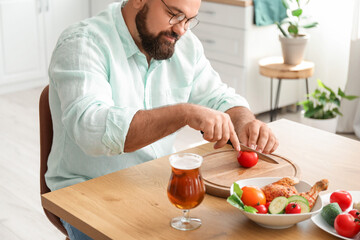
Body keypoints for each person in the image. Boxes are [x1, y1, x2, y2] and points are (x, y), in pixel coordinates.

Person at [46, 0, 278, 238]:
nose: (181, 30)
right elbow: (91, 130)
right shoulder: (81, 43)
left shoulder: (183, 45)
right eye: (174, 15)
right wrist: (183, 113)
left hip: (154, 182)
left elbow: (219, 96)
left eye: (189, 20)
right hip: (85, 192)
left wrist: (246, 122)